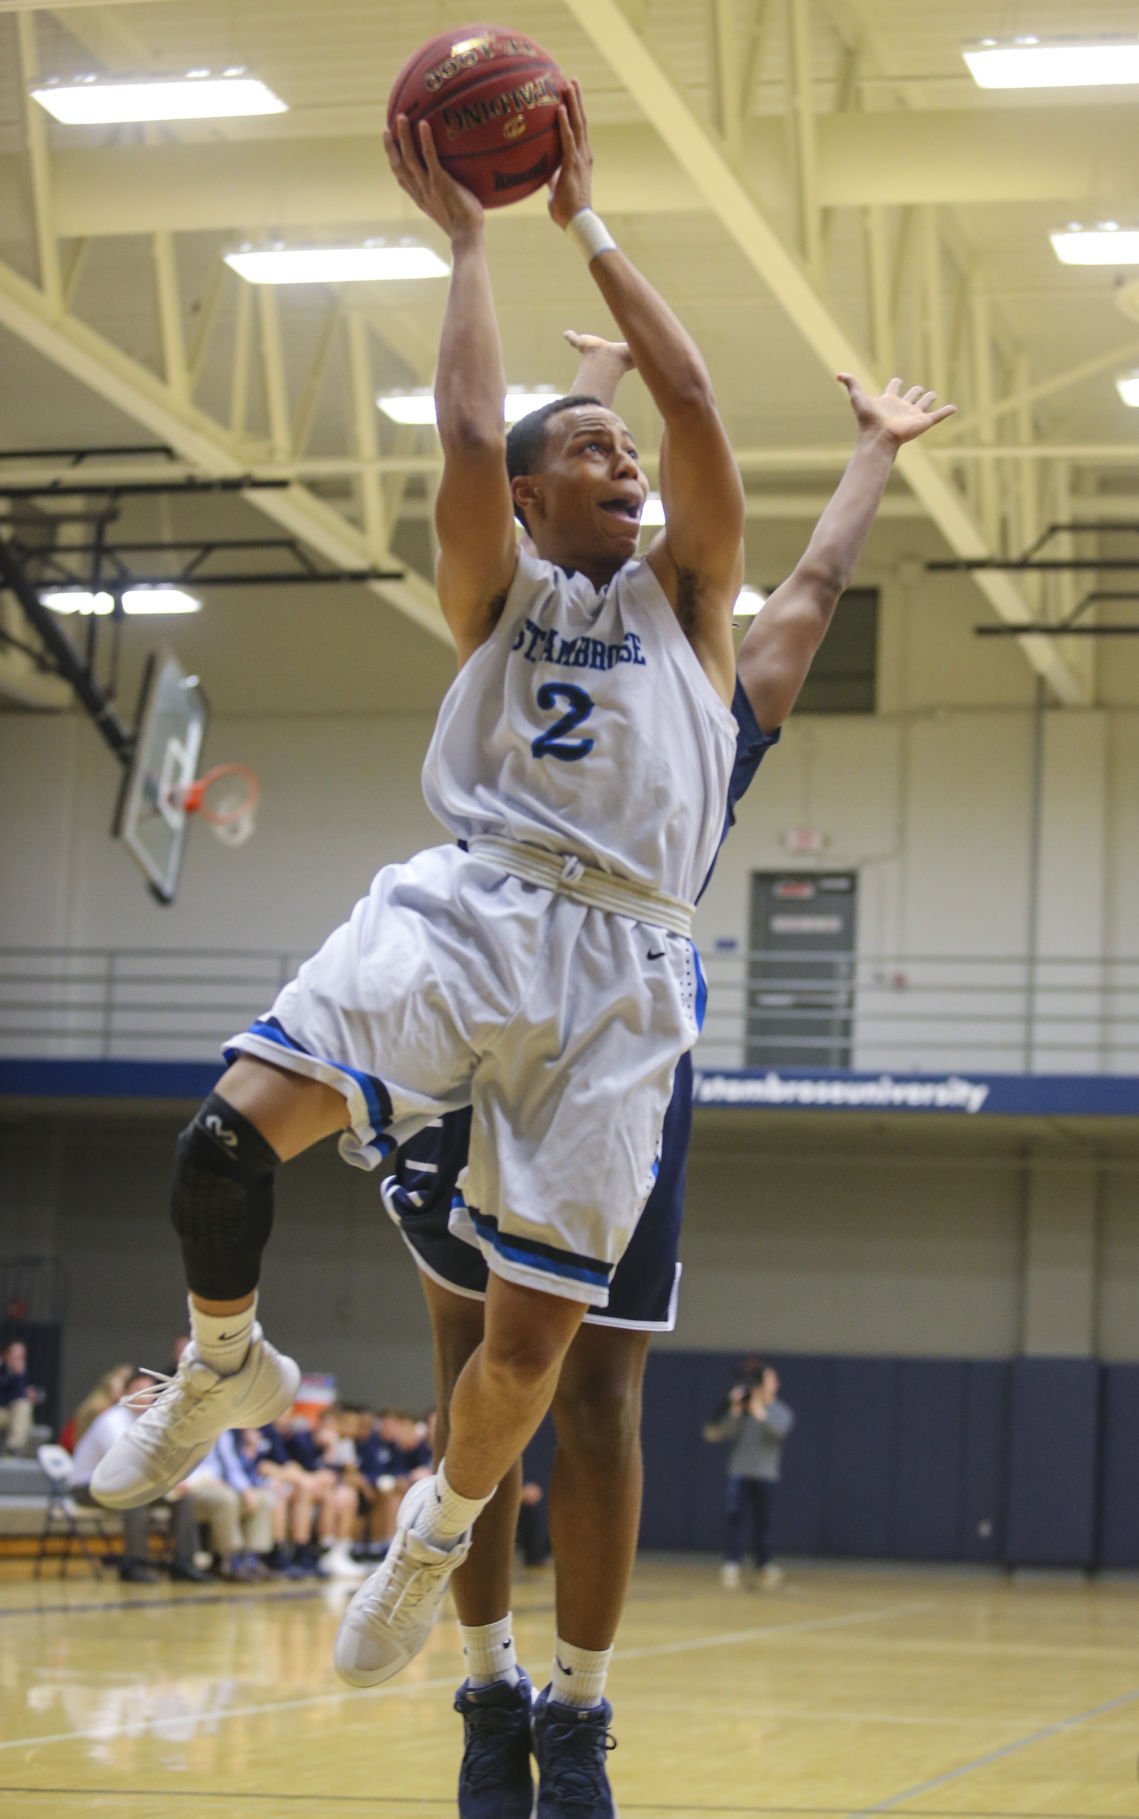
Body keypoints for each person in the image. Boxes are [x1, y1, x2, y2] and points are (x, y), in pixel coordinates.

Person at [91, 72, 745, 1747]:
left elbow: (686, 394)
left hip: (624, 972)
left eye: (622, 453)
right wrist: (465, 242)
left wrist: (582, 221)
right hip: (470, 909)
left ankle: (438, 1529)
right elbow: (468, 433)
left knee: (529, 1353)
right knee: (218, 1146)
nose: (623, 461)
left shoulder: (683, 603)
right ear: (525, 505)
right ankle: (220, 1355)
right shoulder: (495, 598)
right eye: (584, 451)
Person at [381, 334, 957, 1814]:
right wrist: (605, 402)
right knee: (465, 1375)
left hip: (626, 1032)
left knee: (600, 1396)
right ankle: (486, 1680)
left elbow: (803, 592)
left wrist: (871, 454)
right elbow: (561, 543)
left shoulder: (710, 693)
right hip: (488, 993)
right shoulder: (542, 631)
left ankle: (574, 1707)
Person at [69, 1371, 206, 1583]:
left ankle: (183, 1563)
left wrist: (174, 1484)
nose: (144, 1397)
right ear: (125, 1393)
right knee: (134, 1497)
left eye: (149, 1392)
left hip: (128, 1485)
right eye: (138, 1390)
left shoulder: (153, 1423)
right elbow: (126, 1463)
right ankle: (133, 1564)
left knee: (183, 1498)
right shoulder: (111, 1419)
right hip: (87, 1487)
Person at [704, 1361, 794, 1588]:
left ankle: (763, 1562)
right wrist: (735, 1410)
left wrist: (759, 1412)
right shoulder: (742, 1411)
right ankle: (732, 1561)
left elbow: (778, 1434)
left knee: (763, 1522)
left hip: (766, 1474)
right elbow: (719, 1434)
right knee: (736, 1518)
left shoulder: (781, 1411)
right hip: (739, 1472)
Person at [0, 1339, 41, 1457]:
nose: (18, 1360)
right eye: (15, 1357)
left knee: (23, 1406)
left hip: (16, 1414)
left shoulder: (24, 1372)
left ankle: (11, 1450)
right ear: (6, 1356)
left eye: (21, 1357)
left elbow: (20, 1396)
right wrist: (14, 1375)